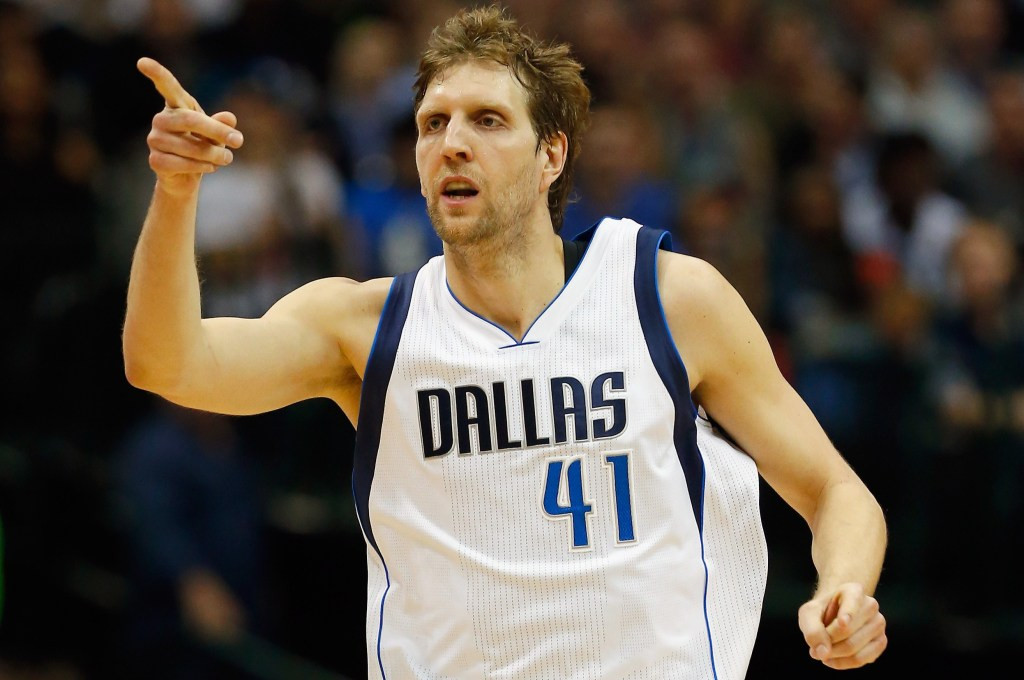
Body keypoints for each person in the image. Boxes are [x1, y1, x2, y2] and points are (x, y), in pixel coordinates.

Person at [122, 5, 888, 678]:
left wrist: (845, 589)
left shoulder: (666, 297)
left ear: (551, 154)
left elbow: (835, 492)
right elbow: (166, 363)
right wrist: (178, 191)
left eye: (487, 120)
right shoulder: (365, 328)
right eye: (433, 123)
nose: (452, 142)